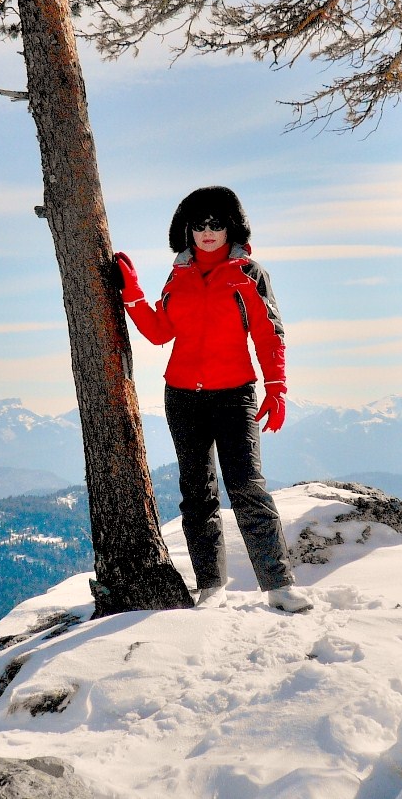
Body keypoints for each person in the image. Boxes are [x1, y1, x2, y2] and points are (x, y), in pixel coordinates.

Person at [114, 186, 311, 614]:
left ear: (231, 228)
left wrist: (276, 388)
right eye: (199, 224)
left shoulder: (248, 273)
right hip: (182, 396)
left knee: (246, 486)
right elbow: (160, 332)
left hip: (234, 395)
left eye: (216, 224)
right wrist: (132, 294)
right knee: (197, 492)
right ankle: (211, 587)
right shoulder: (178, 275)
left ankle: (279, 585)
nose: (207, 232)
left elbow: (268, 333)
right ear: (186, 229)